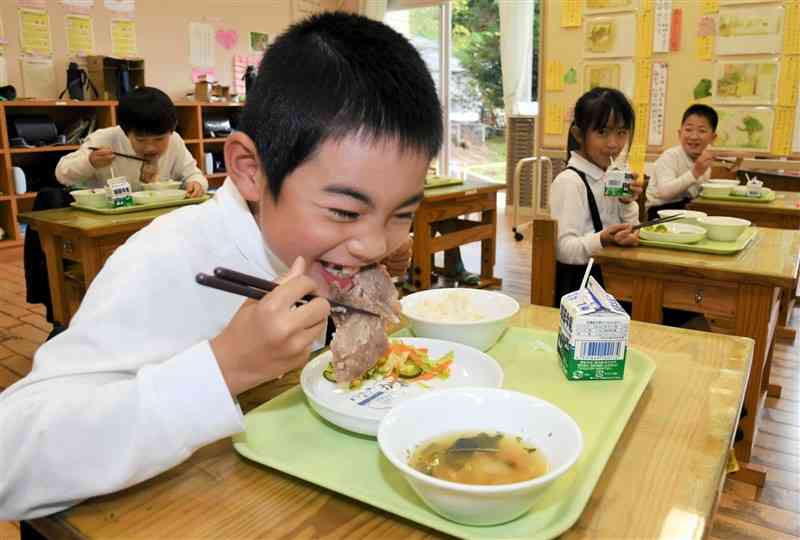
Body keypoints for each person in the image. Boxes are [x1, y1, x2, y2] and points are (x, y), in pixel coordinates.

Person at [0, 11, 441, 519]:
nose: (370, 244)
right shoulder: (164, 260)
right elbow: (14, 463)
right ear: (251, 170)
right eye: (345, 210)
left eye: (401, 212)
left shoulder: (329, 252)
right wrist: (225, 366)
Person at [548, 87, 641, 305]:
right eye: (602, 132)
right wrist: (603, 238)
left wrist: (627, 204)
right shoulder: (570, 182)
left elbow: (631, 227)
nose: (613, 144)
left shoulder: (610, 175)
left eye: (621, 133)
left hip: (613, 281)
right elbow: (563, 250)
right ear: (579, 134)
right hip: (583, 297)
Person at [55, 87, 208, 197]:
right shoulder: (104, 139)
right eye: (140, 140)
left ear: (171, 130)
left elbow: (193, 174)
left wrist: (196, 184)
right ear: (125, 132)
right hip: (110, 220)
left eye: (159, 139)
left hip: (159, 219)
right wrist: (90, 162)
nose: (150, 148)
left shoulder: (175, 141)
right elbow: (62, 173)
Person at [645, 104, 725, 220]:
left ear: (713, 137)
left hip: (688, 210)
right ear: (680, 133)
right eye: (688, 129)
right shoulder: (670, 156)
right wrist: (695, 172)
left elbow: (697, 195)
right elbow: (665, 192)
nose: (693, 136)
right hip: (659, 213)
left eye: (702, 131)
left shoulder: (704, 162)